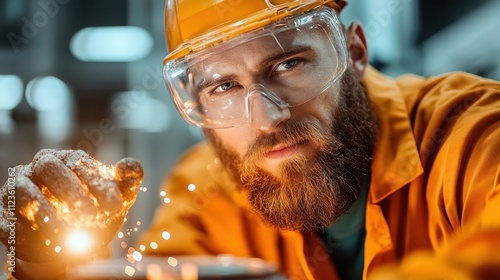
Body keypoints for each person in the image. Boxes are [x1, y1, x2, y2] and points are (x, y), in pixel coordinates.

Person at [1, 0, 499, 279]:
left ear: (354, 51)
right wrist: (46, 270)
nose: (265, 118)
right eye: (223, 87)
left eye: (288, 64)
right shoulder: (206, 196)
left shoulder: (472, 134)